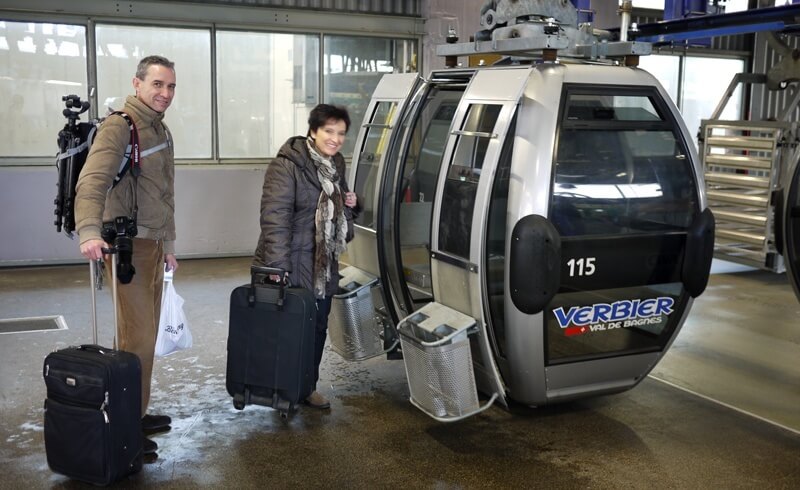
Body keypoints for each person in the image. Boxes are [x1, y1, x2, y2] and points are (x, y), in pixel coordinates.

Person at [75, 55, 178, 456]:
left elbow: (165, 195)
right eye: (157, 85)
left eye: (170, 86)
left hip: (152, 245)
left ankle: (132, 411)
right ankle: (123, 427)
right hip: (127, 246)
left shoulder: (159, 129)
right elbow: (93, 180)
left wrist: (169, 245)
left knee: (139, 336)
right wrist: (88, 230)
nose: (165, 93)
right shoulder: (121, 126)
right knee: (138, 338)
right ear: (137, 84)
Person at [253, 103, 360, 410]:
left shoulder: (336, 164)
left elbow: (340, 212)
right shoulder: (288, 165)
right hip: (291, 261)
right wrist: (276, 267)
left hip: (323, 263)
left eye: (341, 133)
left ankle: (307, 386)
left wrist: (351, 203)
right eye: (329, 131)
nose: (335, 139)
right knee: (288, 329)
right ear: (313, 131)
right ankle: (281, 389)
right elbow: (274, 217)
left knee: (316, 327)